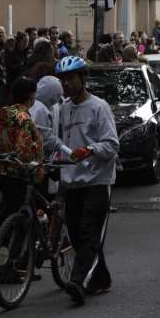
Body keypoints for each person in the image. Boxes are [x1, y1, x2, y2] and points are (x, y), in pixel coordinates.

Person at [55, 56, 120, 305]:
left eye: (70, 78)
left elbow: (111, 144)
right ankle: (100, 278)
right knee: (78, 235)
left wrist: (91, 150)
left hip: (96, 181)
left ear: (83, 78)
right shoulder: (64, 108)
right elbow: (62, 142)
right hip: (72, 181)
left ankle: (77, 282)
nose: (66, 84)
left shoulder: (99, 107)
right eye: (63, 80)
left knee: (89, 231)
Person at [0, 77, 45, 233]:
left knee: (6, 210)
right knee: (20, 214)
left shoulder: (2, 114)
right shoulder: (24, 119)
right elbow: (24, 150)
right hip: (19, 173)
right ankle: (13, 250)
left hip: (1, 170)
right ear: (31, 96)